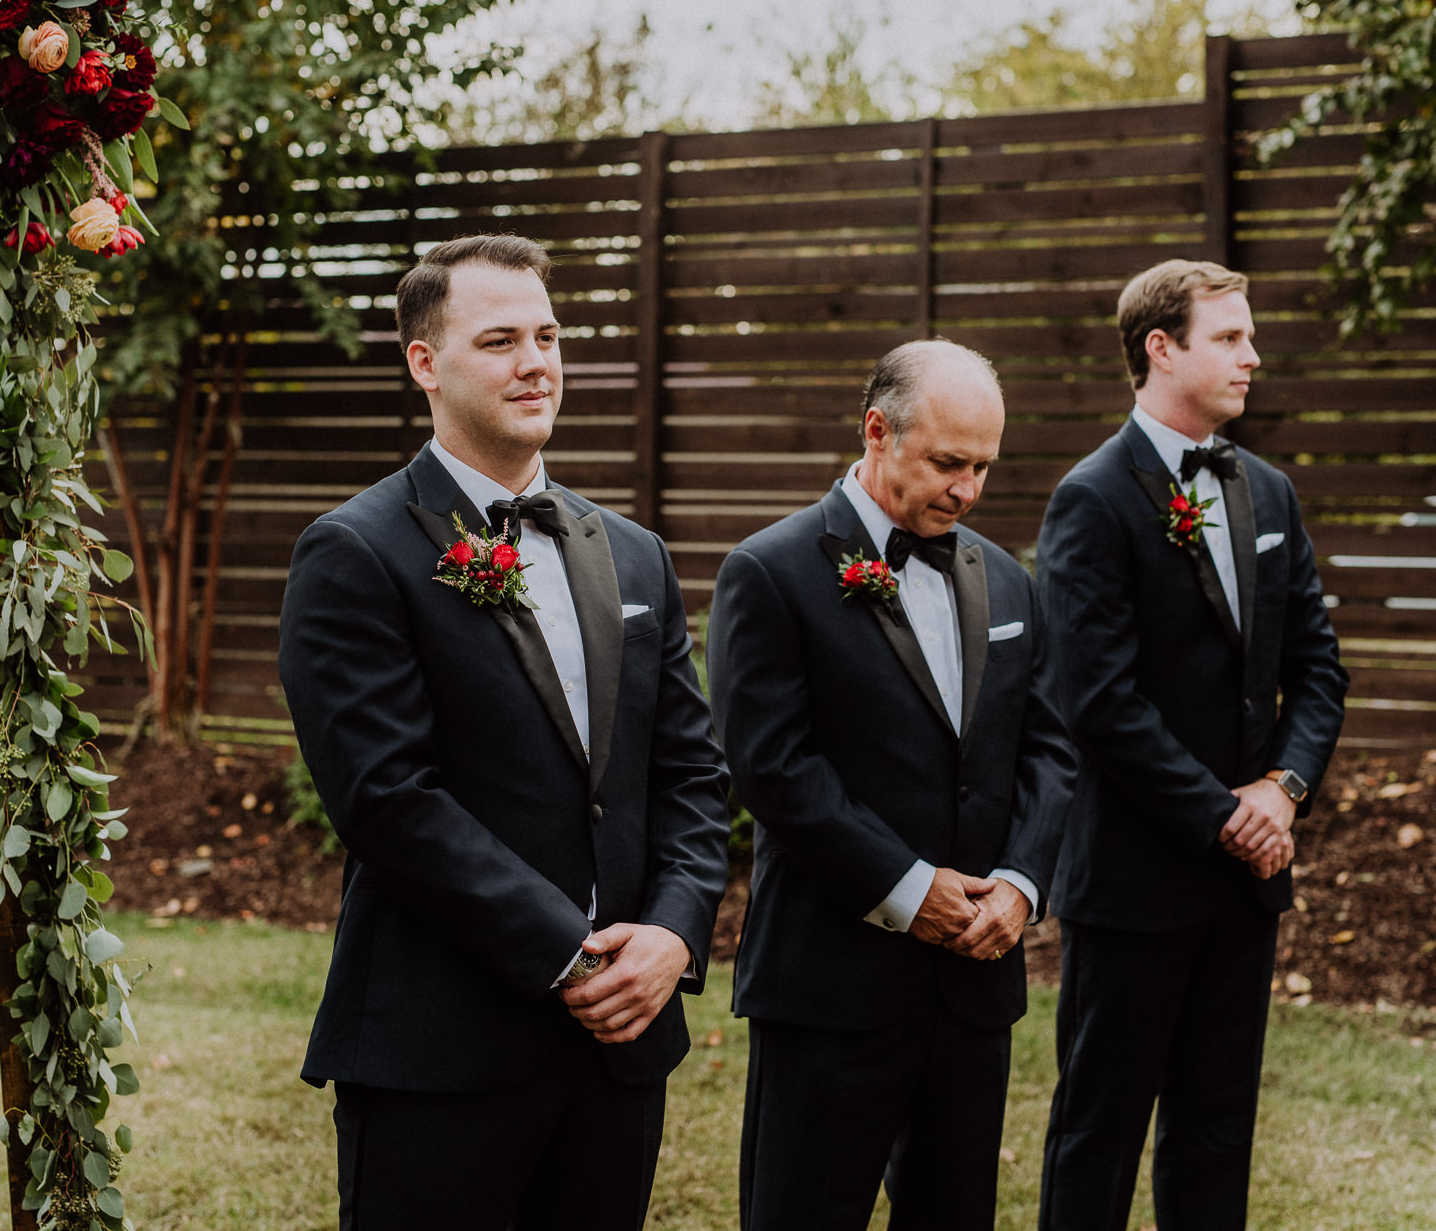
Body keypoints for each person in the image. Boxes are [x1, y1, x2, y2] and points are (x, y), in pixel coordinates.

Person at [276, 234, 731, 1231]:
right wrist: (570, 956)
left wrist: (671, 932)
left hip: (620, 1050)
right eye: (500, 340)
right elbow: (387, 801)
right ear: (424, 364)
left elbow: (692, 772)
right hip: (442, 1050)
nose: (537, 361)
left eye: (548, 335)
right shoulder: (354, 552)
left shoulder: (635, 555)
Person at [708, 340, 1079, 1231]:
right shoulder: (771, 570)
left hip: (974, 989)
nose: (969, 491)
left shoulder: (1008, 580)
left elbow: (1051, 749)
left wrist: (1023, 888)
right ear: (877, 431)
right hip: (830, 985)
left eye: (984, 467)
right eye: (949, 464)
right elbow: (774, 766)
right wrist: (910, 892)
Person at [1033, 260, 1348, 1229]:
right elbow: (1098, 701)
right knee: (1099, 1133)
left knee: (1217, 1129)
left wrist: (1282, 792)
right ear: (1158, 348)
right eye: (1229, 337)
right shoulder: (1091, 499)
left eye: (1249, 337)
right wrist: (1225, 815)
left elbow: (1320, 670)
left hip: (1242, 885)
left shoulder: (1267, 491)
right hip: (1132, 882)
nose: (1253, 355)